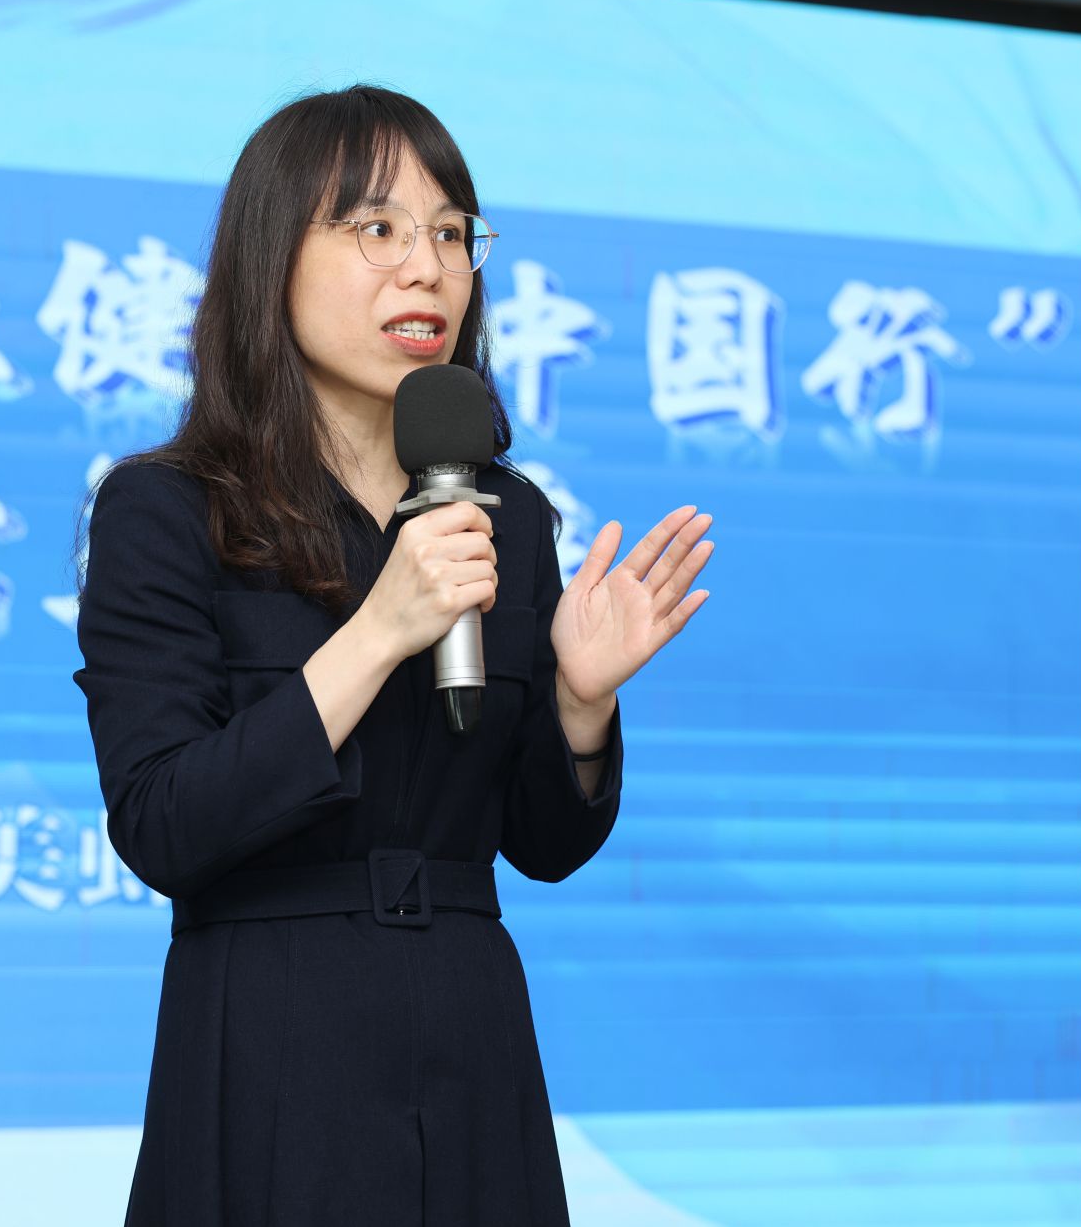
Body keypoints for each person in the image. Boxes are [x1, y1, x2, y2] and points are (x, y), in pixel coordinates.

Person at [73, 84, 714, 1226]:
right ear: (272, 258)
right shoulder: (166, 512)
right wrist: (378, 632)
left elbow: (542, 846)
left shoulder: (504, 516)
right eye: (377, 229)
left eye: (451, 234)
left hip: (472, 1039)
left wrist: (577, 704)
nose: (426, 269)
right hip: (269, 1041)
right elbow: (164, 823)